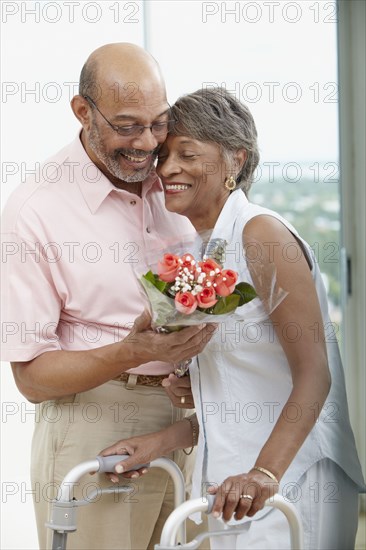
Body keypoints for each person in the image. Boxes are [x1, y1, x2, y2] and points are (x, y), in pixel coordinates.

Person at [100, 87, 366, 549]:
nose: (167, 169)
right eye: (163, 156)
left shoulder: (260, 234)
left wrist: (264, 473)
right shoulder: (207, 249)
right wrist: (164, 438)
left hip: (291, 480)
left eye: (187, 154)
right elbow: (248, 393)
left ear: (235, 162)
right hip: (233, 485)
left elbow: (314, 375)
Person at [0, 44, 215, 550]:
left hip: (193, 422)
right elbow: (30, 378)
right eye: (126, 126)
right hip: (94, 423)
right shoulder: (34, 210)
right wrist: (132, 351)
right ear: (82, 111)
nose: (147, 143)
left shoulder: (177, 179)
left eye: (158, 123)